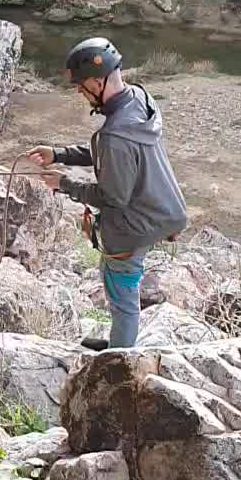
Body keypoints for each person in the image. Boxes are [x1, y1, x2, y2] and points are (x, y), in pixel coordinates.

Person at [28, 36, 187, 351]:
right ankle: (118, 342)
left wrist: (64, 184)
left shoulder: (115, 135)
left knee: (122, 292)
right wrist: (59, 154)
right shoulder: (138, 98)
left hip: (135, 226)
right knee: (117, 283)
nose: (79, 91)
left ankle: (118, 358)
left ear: (98, 82)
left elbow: (112, 197)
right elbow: (111, 156)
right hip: (163, 207)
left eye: (81, 85)